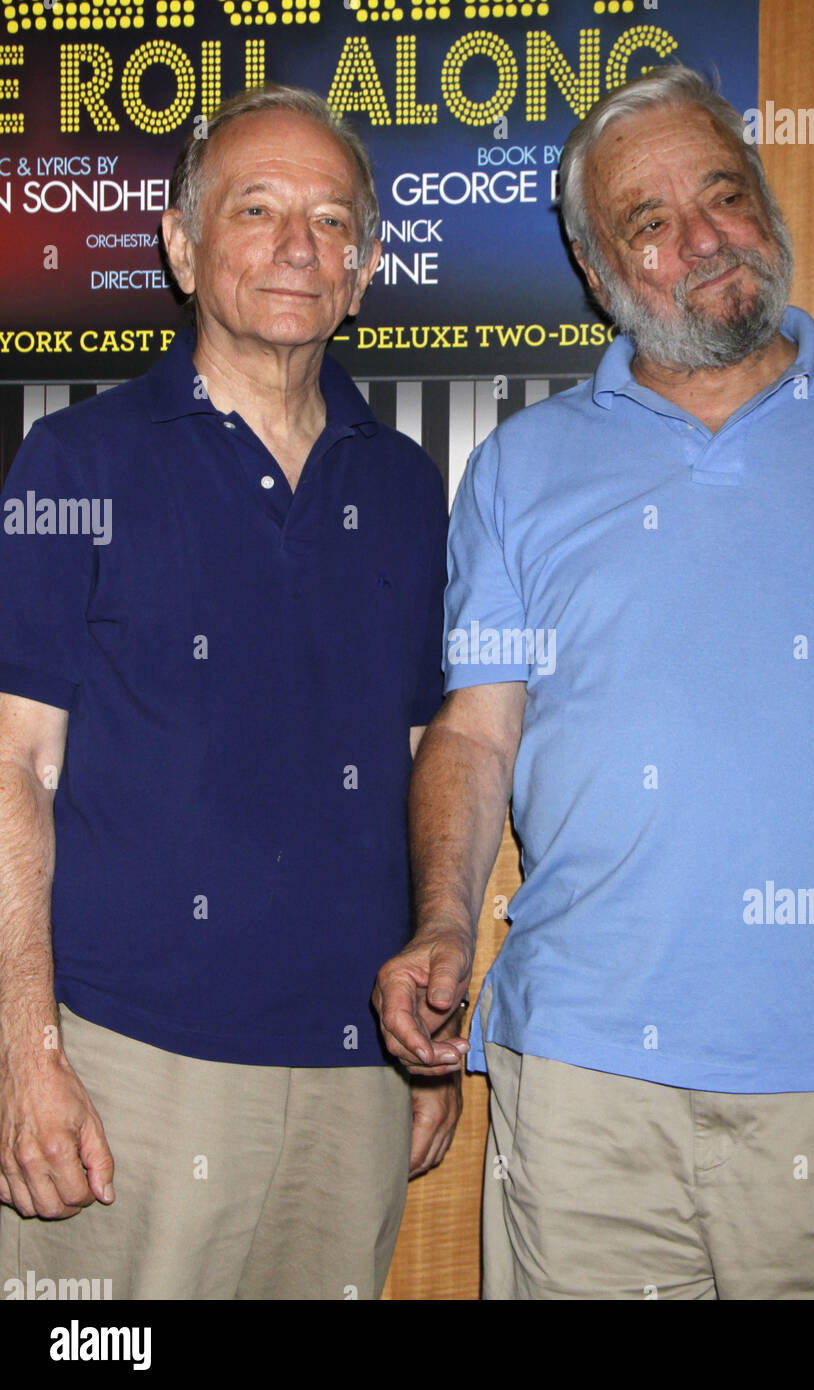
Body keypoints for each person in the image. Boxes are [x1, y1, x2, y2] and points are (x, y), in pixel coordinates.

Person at [373, 64, 814, 1299]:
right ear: (601, 276)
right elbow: (475, 736)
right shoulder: (517, 470)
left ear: (768, 206)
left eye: (723, 196)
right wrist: (444, 921)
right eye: (649, 223)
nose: (703, 239)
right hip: (582, 1094)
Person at [0, 84, 458, 1301]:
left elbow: (424, 766)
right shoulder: (75, 463)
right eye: (256, 209)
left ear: (364, 270)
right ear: (182, 244)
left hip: (353, 1069)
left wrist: (421, 1047)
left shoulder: (410, 490)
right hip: (122, 1066)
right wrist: (25, 1050)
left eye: (328, 220)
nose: (297, 246)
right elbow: (9, 771)